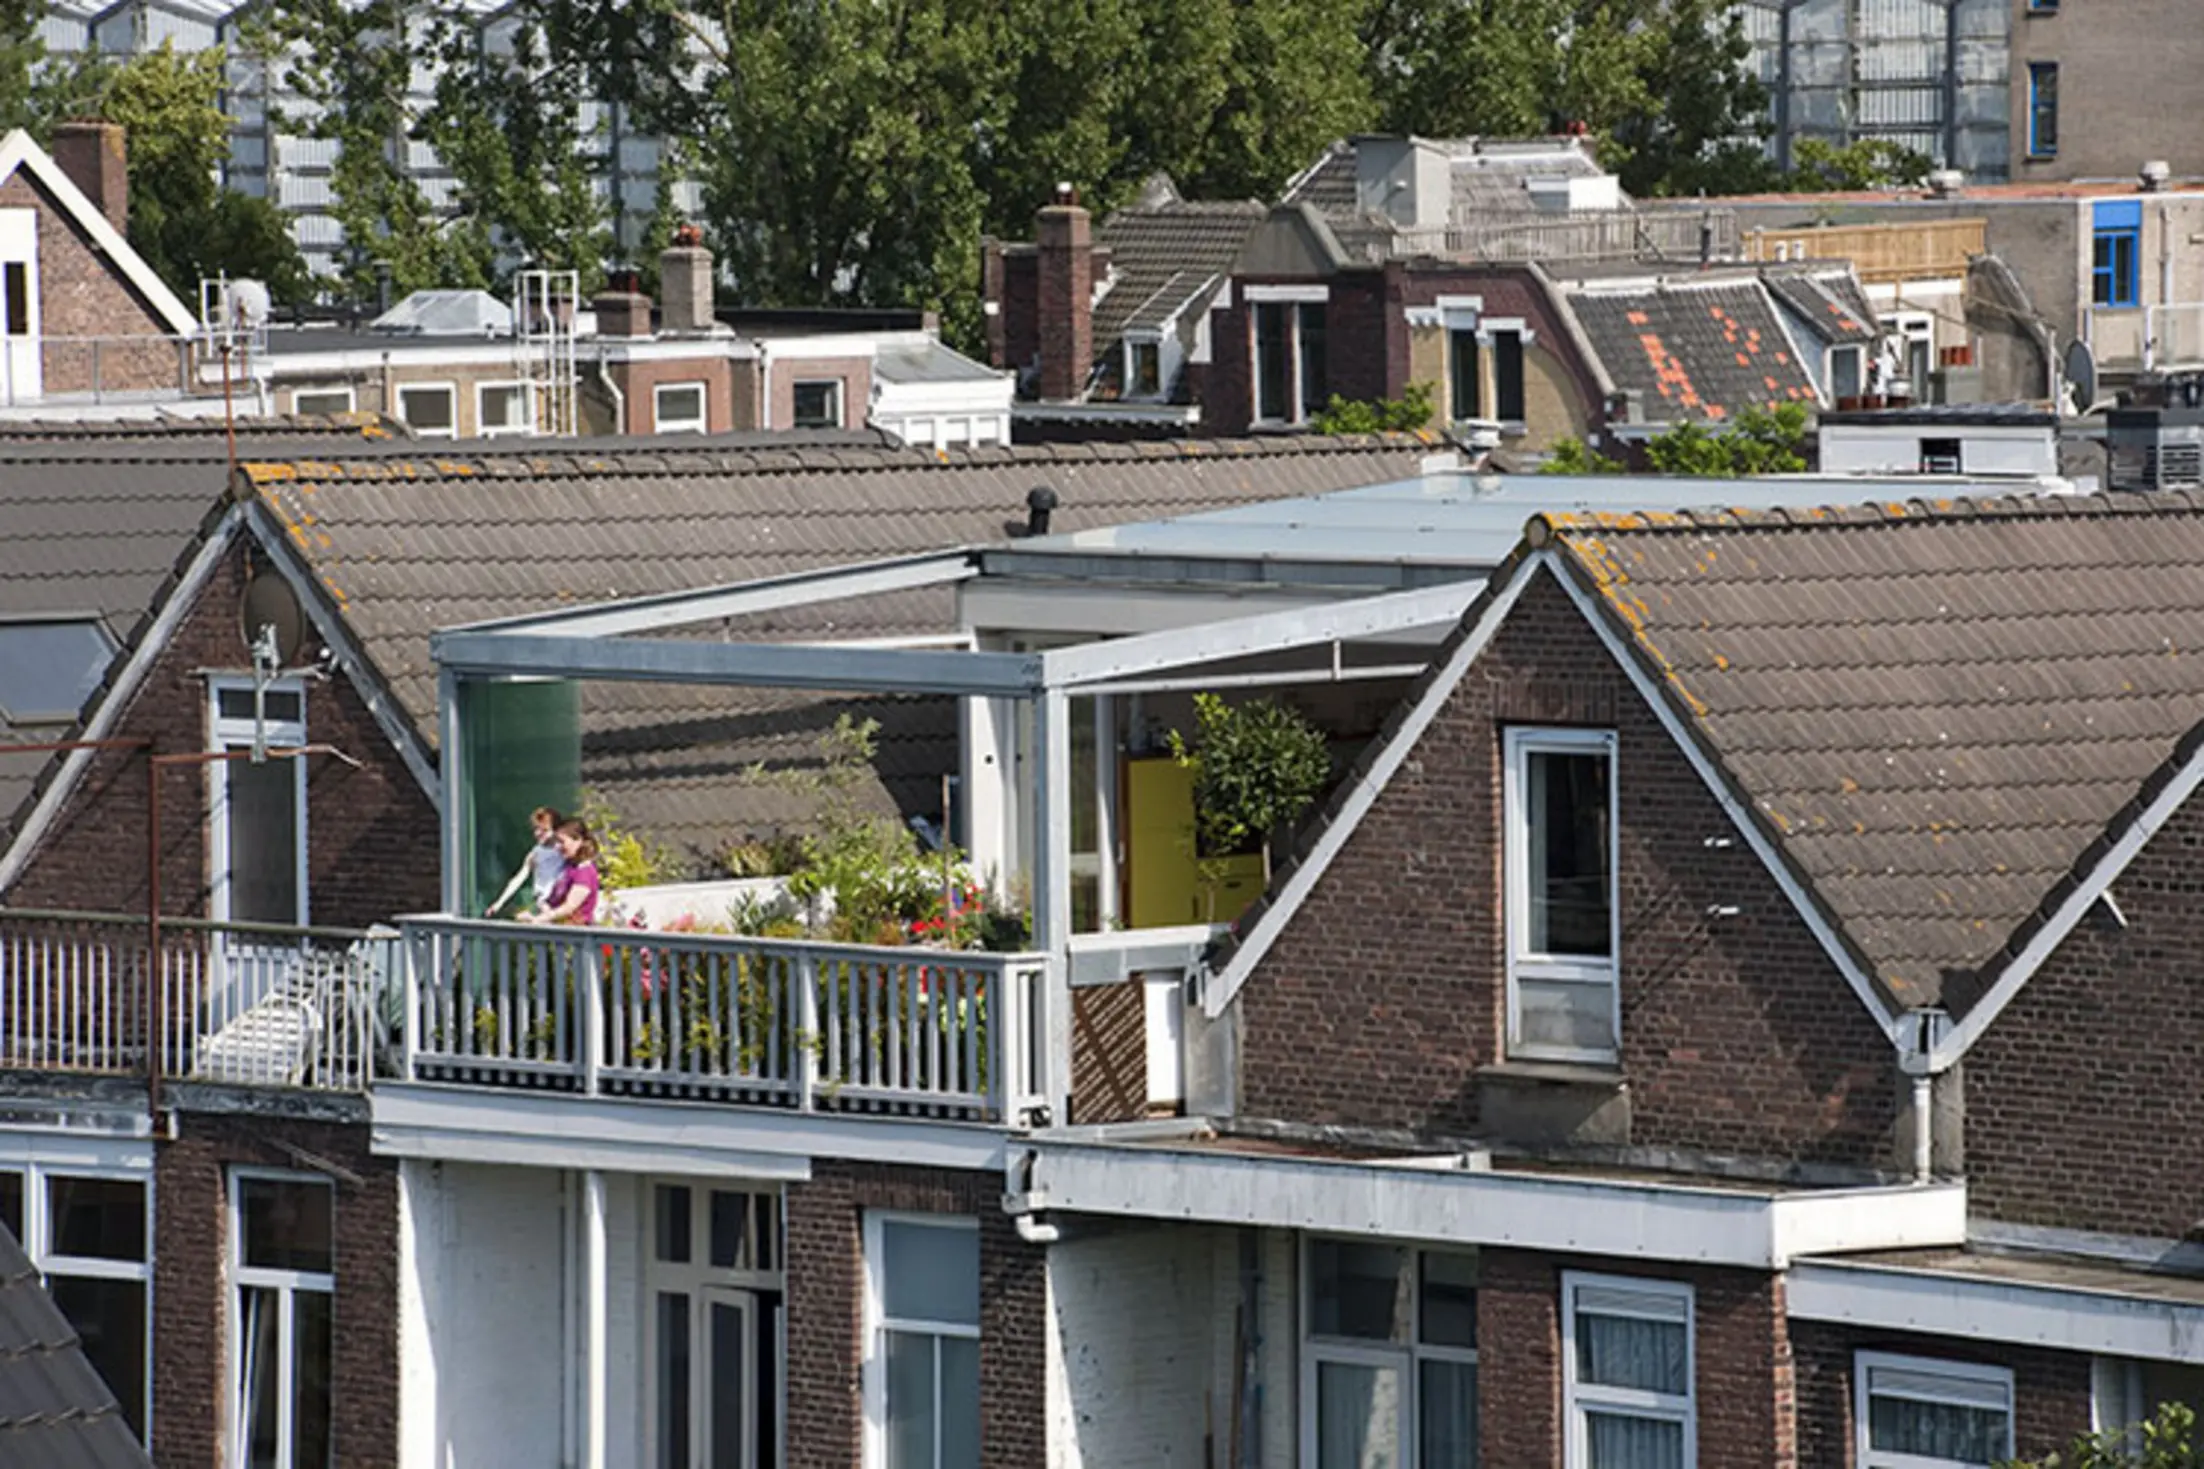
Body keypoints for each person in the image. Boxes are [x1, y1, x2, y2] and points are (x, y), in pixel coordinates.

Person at [486, 807, 567, 918]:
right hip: (542, 903)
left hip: (559, 903)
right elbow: (519, 878)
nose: (538, 833)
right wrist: (499, 903)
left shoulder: (563, 851)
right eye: (536, 829)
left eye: (544, 830)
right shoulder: (536, 853)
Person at [520, 819, 600, 926]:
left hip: (576, 935)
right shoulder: (567, 866)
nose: (558, 846)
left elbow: (569, 907)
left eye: (562, 842)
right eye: (557, 842)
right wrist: (534, 914)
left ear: (578, 840)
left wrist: (541, 919)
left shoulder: (584, 871)